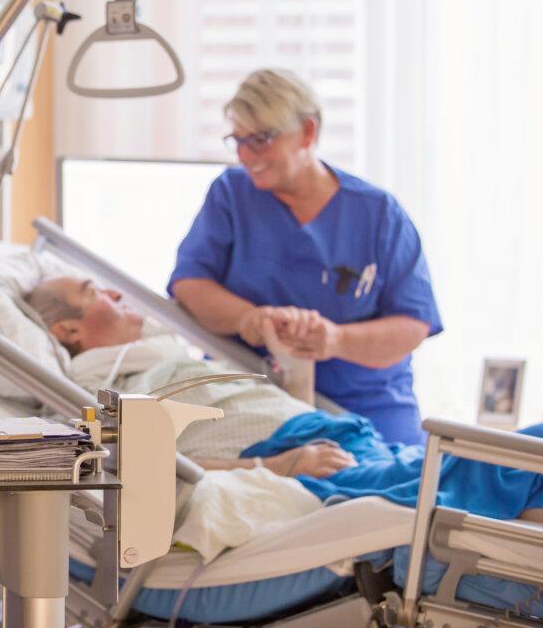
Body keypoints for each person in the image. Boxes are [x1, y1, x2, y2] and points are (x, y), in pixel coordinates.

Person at [25, 275, 543, 527]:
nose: (116, 295)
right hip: (312, 464)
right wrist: (276, 465)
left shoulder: (169, 361)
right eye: (96, 293)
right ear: (68, 329)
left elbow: (278, 405)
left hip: (340, 436)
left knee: (495, 468)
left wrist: (292, 362)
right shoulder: (97, 396)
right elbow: (143, 466)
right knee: (494, 467)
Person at [166, 69, 442, 445]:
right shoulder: (231, 195)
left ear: (308, 132)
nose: (247, 155)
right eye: (238, 140)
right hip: (255, 394)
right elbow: (190, 284)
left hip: (366, 403)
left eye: (261, 139)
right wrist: (248, 318)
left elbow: (412, 324)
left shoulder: (377, 214)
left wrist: (335, 340)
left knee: (398, 486)